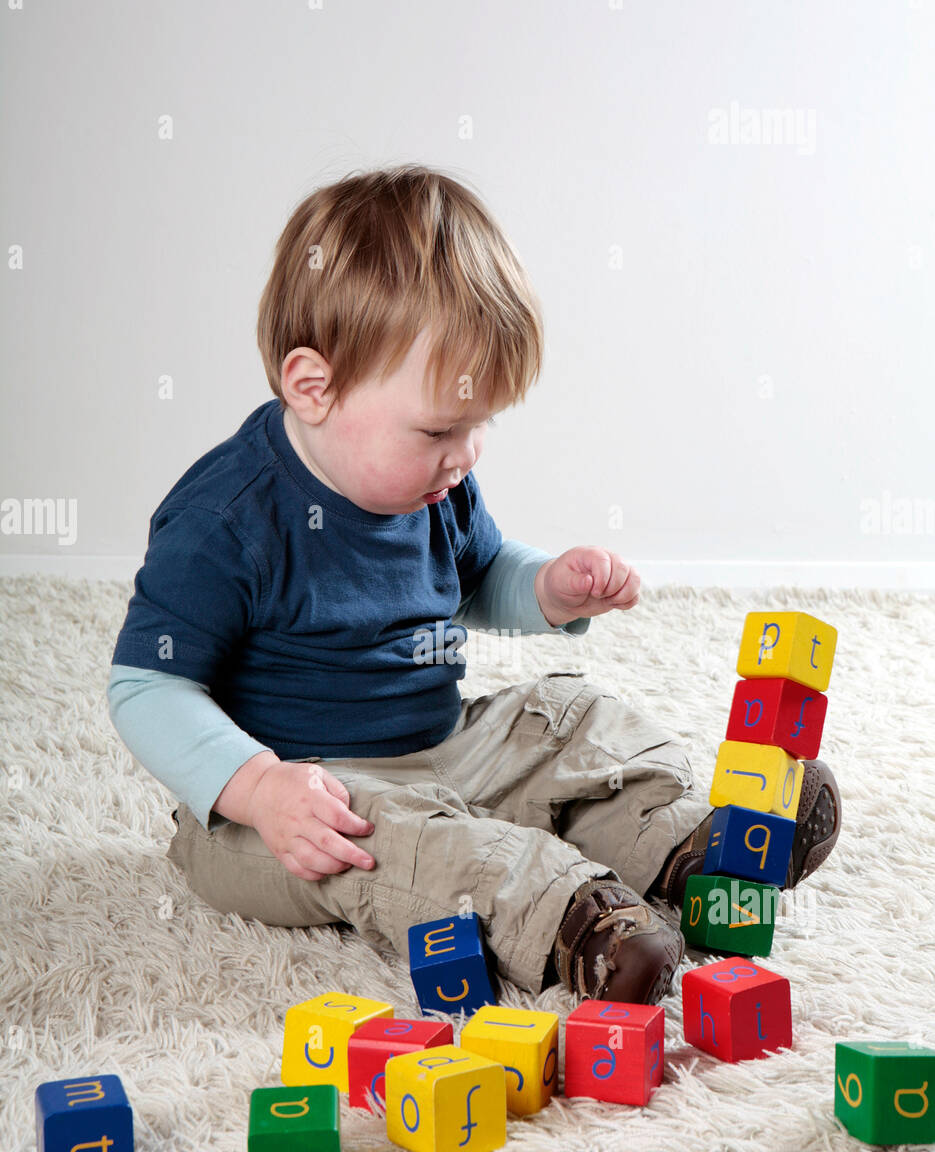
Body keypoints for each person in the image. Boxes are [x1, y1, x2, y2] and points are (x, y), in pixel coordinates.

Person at [107, 164, 840, 1007]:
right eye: (441, 427)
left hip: (444, 747)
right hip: (289, 813)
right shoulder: (226, 519)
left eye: (481, 423)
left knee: (570, 720)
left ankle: (682, 848)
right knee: (406, 845)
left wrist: (548, 590)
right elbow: (144, 686)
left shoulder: (434, 484)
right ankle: (568, 919)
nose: (467, 454)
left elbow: (480, 576)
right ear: (313, 388)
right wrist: (259, 786)